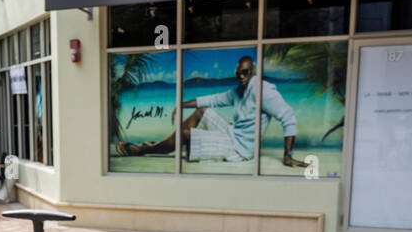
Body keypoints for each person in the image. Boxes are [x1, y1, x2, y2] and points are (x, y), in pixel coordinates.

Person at [116, 57, 306, 168]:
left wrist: (288, 156)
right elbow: (214, 99)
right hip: (232, 133)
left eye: (246, 73)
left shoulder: (263, 91)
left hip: (239, 149)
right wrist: (181, 105)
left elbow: (288, 117)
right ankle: (163, 143)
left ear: (253, 71)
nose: (241, 77)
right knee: (202, 111)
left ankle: (144, 150)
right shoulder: (239, 91)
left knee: (184, 135)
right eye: (239, 73)